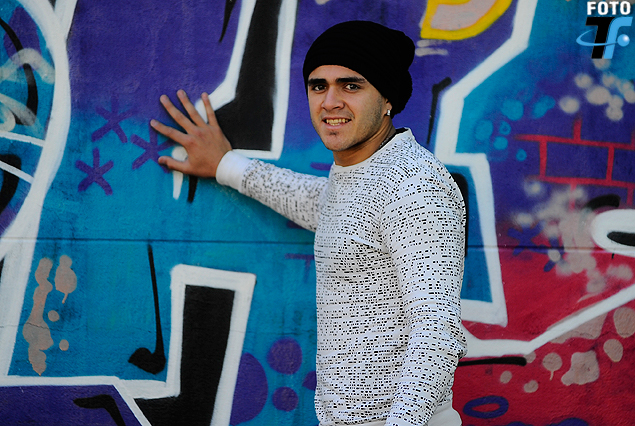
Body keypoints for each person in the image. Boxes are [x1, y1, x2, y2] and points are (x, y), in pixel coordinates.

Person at [152, 20, 467, 426]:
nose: (330, 101)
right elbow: (314, 201)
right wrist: (226, 165)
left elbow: (437, 331)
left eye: (350, 86)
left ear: (387, 97)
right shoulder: (362, 178)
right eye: (319, 86)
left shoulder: (414, 185)